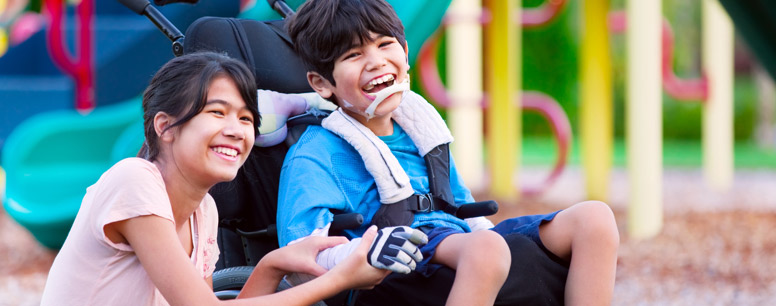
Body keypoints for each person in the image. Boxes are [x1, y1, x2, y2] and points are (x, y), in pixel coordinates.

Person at [275, 0, 620, 305]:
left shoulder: (421, 131)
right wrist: (360, 253)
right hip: (392, 266)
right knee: (487, 250)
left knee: (594, 219)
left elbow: (462, 209)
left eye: (384, 44)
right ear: (321, 84)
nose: (376, 61)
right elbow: (301, 253)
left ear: (405, 51)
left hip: (458, 244)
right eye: (354, 55)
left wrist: (495, 245)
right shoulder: (317, 153)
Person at [40, 52, 392, 306]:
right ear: (165, 126)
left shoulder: (203, 210)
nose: (236, 131)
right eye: (217, 112)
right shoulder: (133, 180)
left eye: (244, 118)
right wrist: (339, 279)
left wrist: (273, 264)